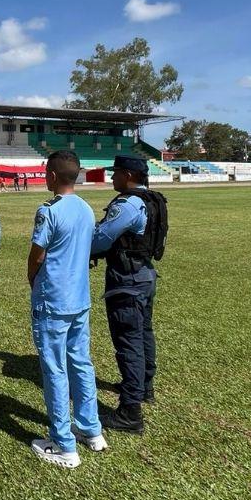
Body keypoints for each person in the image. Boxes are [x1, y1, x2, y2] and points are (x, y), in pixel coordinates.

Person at [26, 151, 106, 468]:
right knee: (81, 364)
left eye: (46, 173)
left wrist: (33, 279)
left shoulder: (49, 211)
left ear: (54, 177)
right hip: (79, 299)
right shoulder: (86, 209)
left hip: (54, 299)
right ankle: (91, 430)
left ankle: (63, 444)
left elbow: (37, 255)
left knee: (55, 368)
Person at [90, 154, 166, 435]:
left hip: (127, 279)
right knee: (144, 334)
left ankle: (130, 411)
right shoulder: (152, 199)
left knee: (129, 341)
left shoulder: (128, 204)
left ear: (129, 175)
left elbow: (101, 238)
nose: (113, 178)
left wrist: (86, 249)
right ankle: (144, 387)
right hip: (144, 274)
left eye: (116, 173)